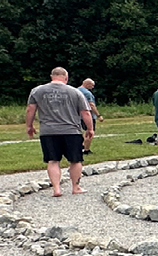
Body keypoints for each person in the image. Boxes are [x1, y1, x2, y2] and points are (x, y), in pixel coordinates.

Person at [25, 67, 93, 196]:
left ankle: (56, 189)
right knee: (75, 160)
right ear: (66, 77)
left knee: (53, 160)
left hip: (48, 131)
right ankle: (75, 187)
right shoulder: (75, 92)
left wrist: (29, 126)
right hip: (71, 131)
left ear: (52, 76)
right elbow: (85, 112)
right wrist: (90, 129)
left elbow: (30, 109)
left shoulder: (37, 91)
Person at [77, 78, 102, 155]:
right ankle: (86, 149)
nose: (93, 87)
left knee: (82, 132)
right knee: (90, 132)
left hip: (77, 115)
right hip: (88, 116)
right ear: (87, 84)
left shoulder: (76, 91)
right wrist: (98, 115)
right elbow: (91, 105)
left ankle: (81, 147)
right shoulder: (87, 93)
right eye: (92, 85)